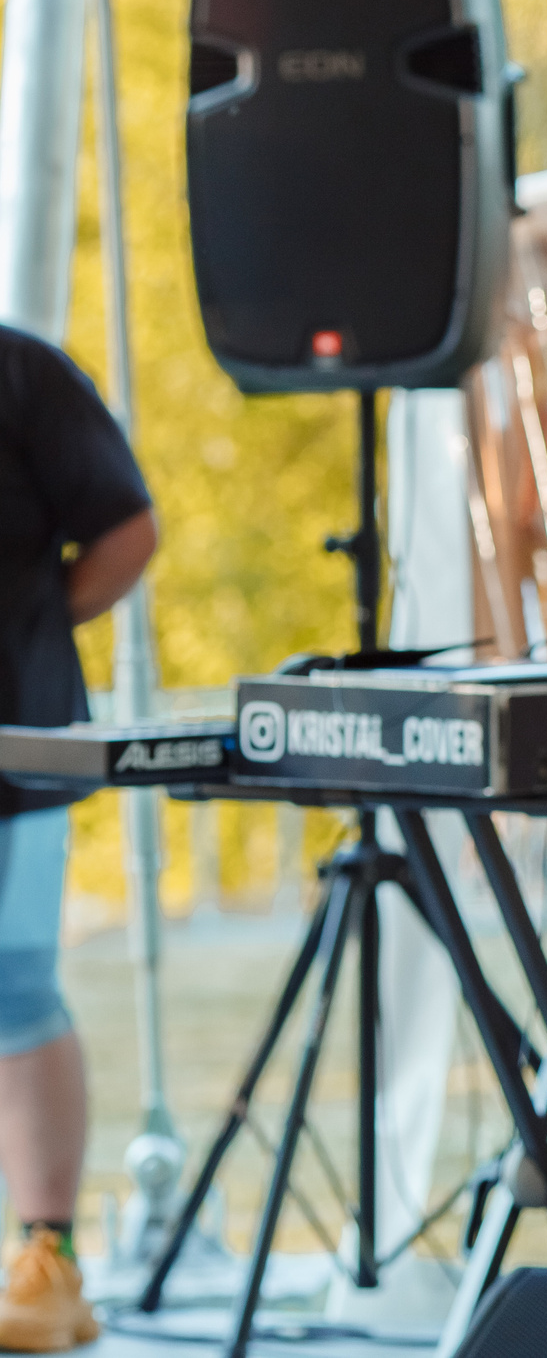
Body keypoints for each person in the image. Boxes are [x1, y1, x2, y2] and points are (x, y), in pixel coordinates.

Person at [0, 323, 157, 1353]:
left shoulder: (22, 373)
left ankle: (47, 1262)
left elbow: (127, 531)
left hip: (15, 740)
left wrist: (37, 624)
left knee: (14, 986)